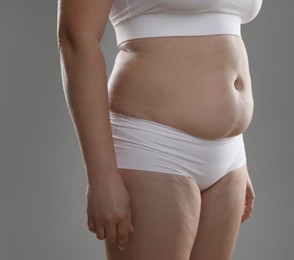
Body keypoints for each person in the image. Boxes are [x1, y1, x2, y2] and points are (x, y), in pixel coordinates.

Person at [57, 0, 262, 259]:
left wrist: (229, 142)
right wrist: (102, 177)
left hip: (230, 155)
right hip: (153, 145)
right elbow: (76, 41)